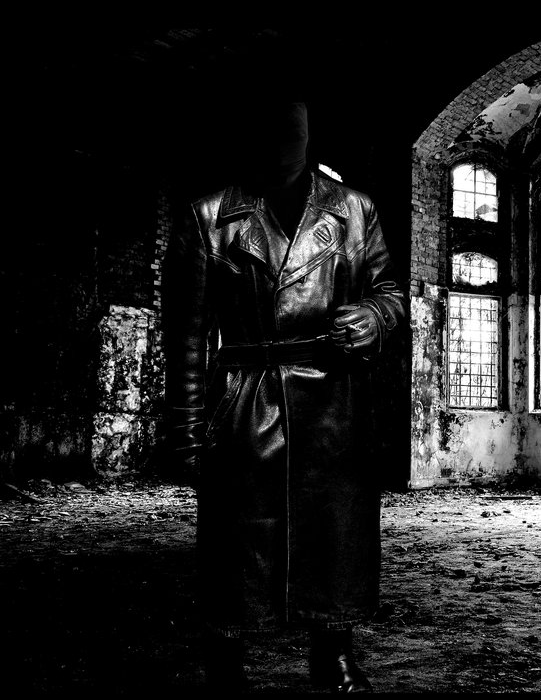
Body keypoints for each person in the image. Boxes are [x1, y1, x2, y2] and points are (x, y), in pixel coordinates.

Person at [160, 100, 405, 692]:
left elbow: (391, 291)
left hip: (333, 401)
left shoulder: (354, 209)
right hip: (245, 396)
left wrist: (374, 317)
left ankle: (334, 650)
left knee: (335, 533)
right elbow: (187, 336)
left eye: (292, 133)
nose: (281, 146)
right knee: (238, 537)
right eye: (268, 134)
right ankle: (226, 656)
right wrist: (187, 430)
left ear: (308, 136)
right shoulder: (210, 215)